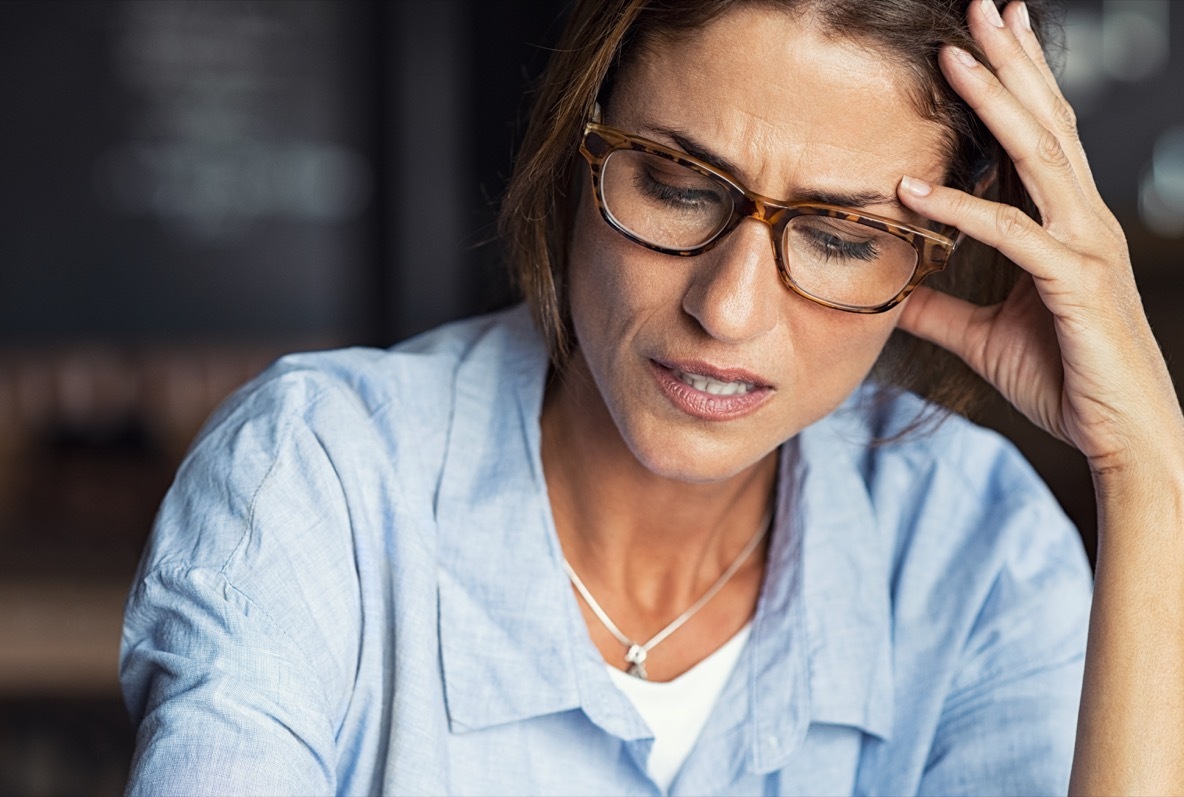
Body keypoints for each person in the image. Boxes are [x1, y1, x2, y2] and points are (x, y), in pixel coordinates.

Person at [120, 0, 1184, 793]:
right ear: (575, 148)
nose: (728, 308)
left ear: (933, 256)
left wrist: (1148, 474)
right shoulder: (318, 482)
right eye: (677, 186)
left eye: (841, 237)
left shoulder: (976, 549)